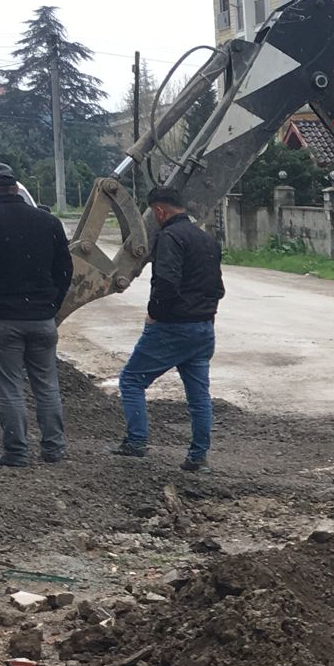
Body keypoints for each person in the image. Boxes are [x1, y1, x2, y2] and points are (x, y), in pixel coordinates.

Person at [0, 162, 72, 467]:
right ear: (17, 188)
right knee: (47, 385)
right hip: (41, 318)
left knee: (9, 388)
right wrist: (52, 305)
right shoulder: (48, 222)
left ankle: (16, 452)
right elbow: (65, 270)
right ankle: (54, 448)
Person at [112, 187, 224, 472]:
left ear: (160, 211)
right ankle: (198, 457)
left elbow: (166, 283)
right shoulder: (207, 239)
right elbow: (218, 288)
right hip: (203, 328)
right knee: (199, 396)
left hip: (172, 327)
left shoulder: (169, 238)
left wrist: (154, 313)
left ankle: (136, 442)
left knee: (131, 380)